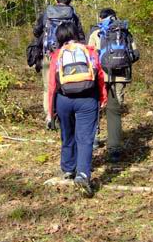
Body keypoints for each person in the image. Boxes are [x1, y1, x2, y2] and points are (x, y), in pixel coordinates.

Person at [46, 22, 107, 197]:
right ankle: (82, 174)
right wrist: (103, 97)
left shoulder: (57, 55)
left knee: (67, 134)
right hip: (87, 99)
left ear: (59, 37)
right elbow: (100, 76)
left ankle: (68, 168)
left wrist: (50, 111)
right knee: (85, 138)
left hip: (64, 100)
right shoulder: (90, 51)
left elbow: (52, 85)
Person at [88, 8, 139, 163]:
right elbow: (135, 54)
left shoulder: (96, 33)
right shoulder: (124, 31)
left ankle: (94, 139)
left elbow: (90, 56)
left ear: (100, 18)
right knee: (114, 110)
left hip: (100, 76)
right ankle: (114, 148)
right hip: (121, 76)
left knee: (95, 105)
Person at [32, 0, 85, 116]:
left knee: (48, 86)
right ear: (69, 1)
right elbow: (80, 35)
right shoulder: (73, 14)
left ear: (56, 1)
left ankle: (50, 115)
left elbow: (36, 31)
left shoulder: (47, 13)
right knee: (68, 82)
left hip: (49, 54)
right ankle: (67, 114)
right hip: (69, 54)